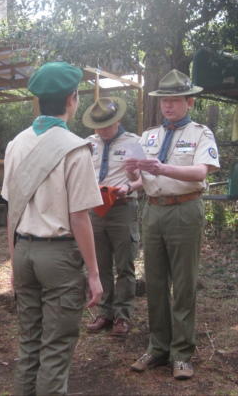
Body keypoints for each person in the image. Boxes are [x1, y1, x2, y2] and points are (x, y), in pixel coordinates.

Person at [2, 62, 104, 396]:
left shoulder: (16, 144)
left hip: (24, 251)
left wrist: (13, 259)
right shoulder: (75, 147)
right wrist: (93, 273)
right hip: (58, 257)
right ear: (72, 99)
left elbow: (11, 211)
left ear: (39, 101)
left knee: (29, 344)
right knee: (56, 349)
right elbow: (79, 218)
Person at [125, 69, 220, 380]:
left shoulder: (200, 134)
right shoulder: (149, 135)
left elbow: (200, 174)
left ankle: (182, 353)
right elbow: (140, 180)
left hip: (184, 210)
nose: (168, 106)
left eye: (175, 101)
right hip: (152, 212)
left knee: (183, 284)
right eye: (164, 100)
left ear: (189, 102)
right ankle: (157, 347)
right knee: (154, 283)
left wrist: (163, 167)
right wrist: (131, 174)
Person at [82, 97, 143, 336]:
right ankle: (105, 313)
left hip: (122, 208)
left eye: (107, 125)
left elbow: (144, 179)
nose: (102, 130)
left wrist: (128, 187)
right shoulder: (88, 143)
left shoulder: (134, 143)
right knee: (99, 264)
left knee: (125, 265)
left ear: (118, 120)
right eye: (98, 126)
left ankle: (122, 316)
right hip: (94, 210)